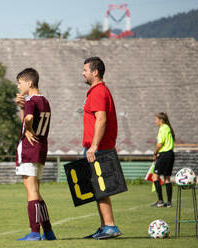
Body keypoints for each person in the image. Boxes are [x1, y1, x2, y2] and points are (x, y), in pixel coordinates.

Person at [14, 68, 56, 241]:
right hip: (41, 149)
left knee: (31, 191)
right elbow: (31, 116)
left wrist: (29, 129)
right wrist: (22, 108)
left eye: (20, 82)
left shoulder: (31, 100)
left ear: (29, 83)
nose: (18, 86)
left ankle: (34, 232)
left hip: (29, 150)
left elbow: (29, 119)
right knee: (36, 192)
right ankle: (48, 231)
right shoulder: (44, 101)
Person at [82, 57, 121, 239]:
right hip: (97, 148)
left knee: (101, 189)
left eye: (85, 70)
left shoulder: (98, 92)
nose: (83, 73)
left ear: (95, 72)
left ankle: (111, 226)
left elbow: (102, 119)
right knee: (98, 190)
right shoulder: (97, 91)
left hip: (98, 149)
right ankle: (104, 226)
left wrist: (94, 146)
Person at [151, 112, 175, 208]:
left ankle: (160, 201)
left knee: (155, 176)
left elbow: (160, 144)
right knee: (167, 179)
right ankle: (169, 202)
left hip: (164, 155)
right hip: (170, 154)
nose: (155, 121)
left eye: (156, 119)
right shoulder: (168, 128)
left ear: (161, 120)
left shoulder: (162, 128)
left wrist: (155, 153)